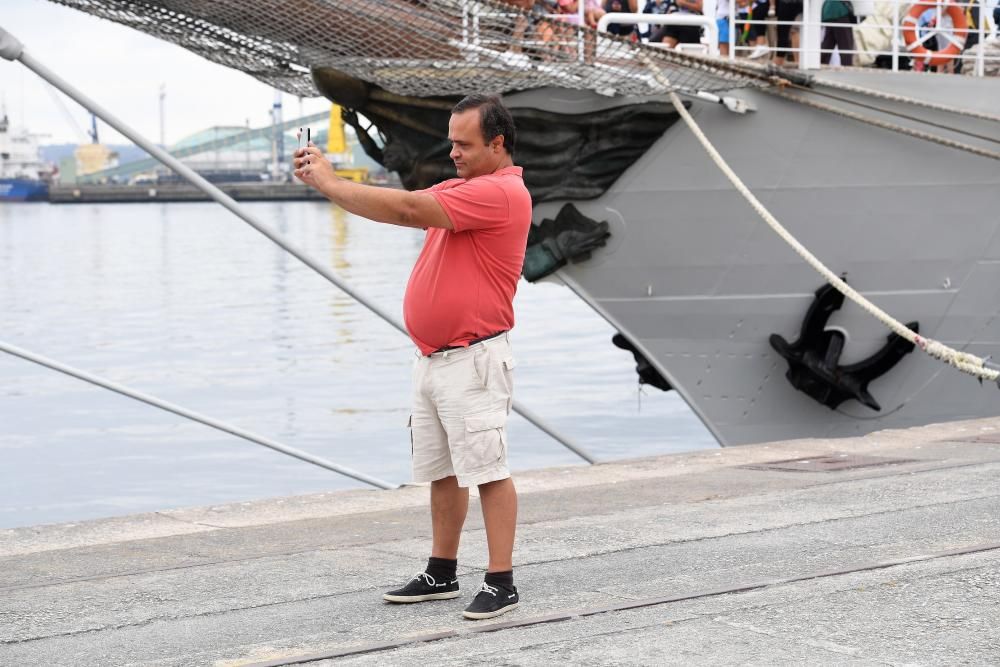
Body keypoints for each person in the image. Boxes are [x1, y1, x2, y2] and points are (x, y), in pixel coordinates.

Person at [293, 94, 532, 621]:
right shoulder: (463, 188)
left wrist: (331, 183)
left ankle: (502, 580)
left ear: (497, 144)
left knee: (488, 469)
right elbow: (403, 208)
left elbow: (404, 208)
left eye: (465, 144)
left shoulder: (500, 193)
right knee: (441, 470)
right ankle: (441, 571)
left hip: (473, 358)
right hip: (433, 359)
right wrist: (328, 185)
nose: (454, 153)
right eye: (451, 142)